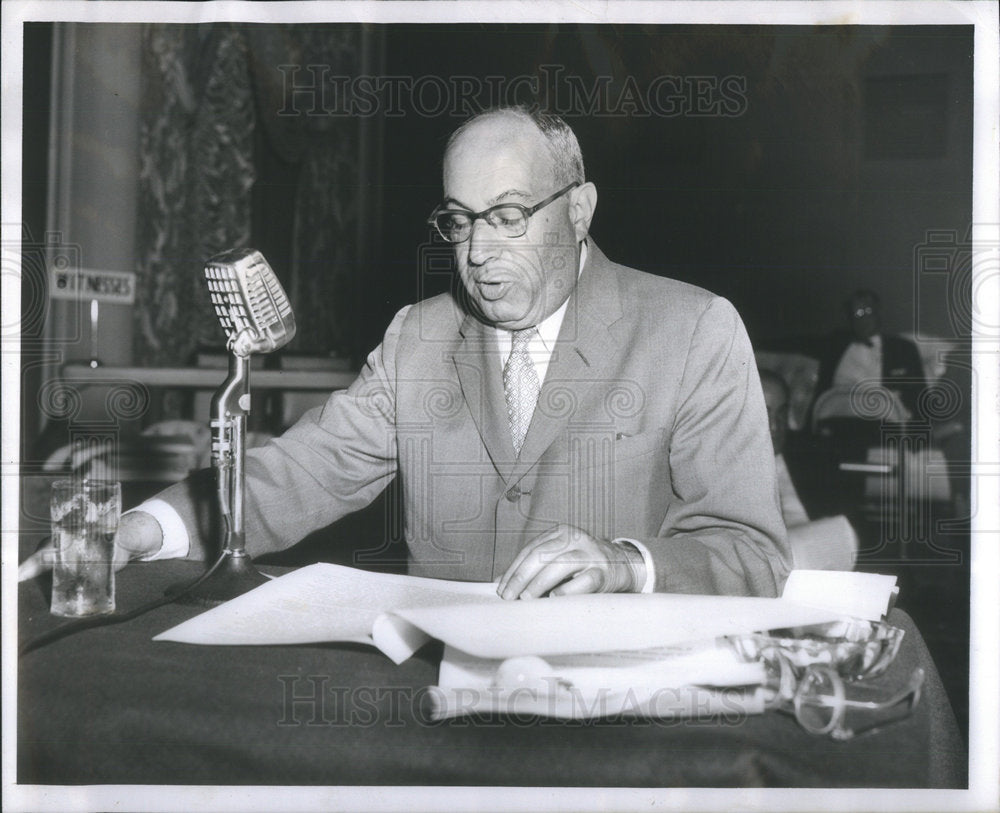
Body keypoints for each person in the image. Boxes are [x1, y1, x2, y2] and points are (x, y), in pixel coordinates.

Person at [20, 106, 789, 598]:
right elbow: (306, 469)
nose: (478, 253)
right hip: (434, 703)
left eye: (510, 215)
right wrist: (147, 527)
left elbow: (751, 550)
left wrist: (625, 564)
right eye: (459, 221)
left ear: (579, 209)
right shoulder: (420, 336)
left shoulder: (693, 331)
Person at [818, 289, 927, 421]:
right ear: (850, 319)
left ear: (878, 313)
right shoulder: (835, 347)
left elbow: (920, 398)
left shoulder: (903, 349)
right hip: (837, 421)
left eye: (868, 311)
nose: (863, 318)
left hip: (881, 425)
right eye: (857, 313)